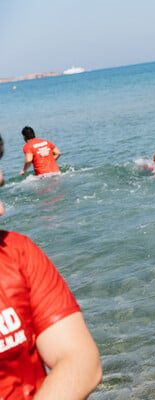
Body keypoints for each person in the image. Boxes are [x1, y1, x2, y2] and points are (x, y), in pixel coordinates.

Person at [0, 137, 102, 399]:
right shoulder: (44, 141)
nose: (2, 210)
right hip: (54, 175)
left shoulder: (18, 252)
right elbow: (57, 152)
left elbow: (81, 361)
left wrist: (25, 172)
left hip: (40, 179)